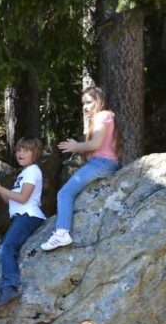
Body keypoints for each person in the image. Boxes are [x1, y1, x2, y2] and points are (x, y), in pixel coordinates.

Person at [41, 87, 120, 251]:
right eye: (83, 103)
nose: (85, 107)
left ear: (99, 101)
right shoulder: (106, 116)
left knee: (65, 193)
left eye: (89, 102)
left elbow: (95, 144)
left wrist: (76, 146)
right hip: (105, 162)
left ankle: (62, 233)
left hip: (101, 163)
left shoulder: (101, 116)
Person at [0, 137, 47, 311]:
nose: (20, 153)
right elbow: (11, 200)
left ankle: (9, 288)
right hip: (20, 216)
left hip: (29, 216)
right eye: (19, 150)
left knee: (7, 248)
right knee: (2, 250)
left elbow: (24, 198)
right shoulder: (23, 173)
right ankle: (6, 288)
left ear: (35, 154)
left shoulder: (33, 171)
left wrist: (0, 189)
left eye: (26, 150)